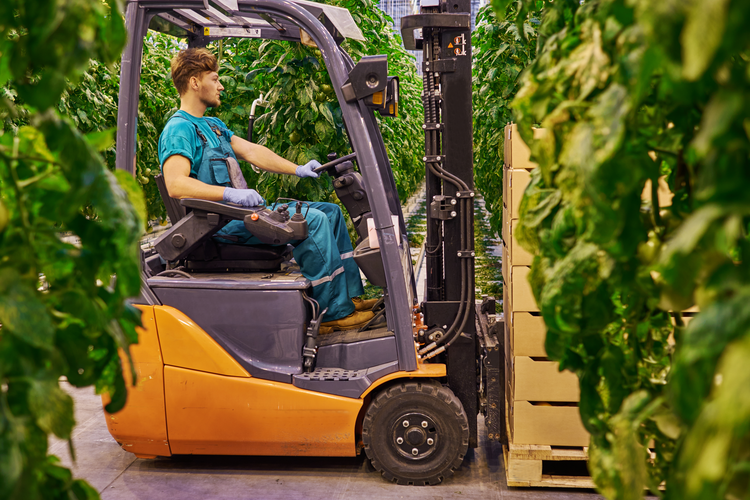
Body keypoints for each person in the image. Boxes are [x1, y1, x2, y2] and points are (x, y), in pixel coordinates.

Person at [158, 48, 376, 330]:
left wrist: (297, 168)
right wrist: (230, 194)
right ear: (195, 82)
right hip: (221, 224)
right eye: (215, 78)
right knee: (313, 220)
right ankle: (332, 314)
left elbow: (251, 151)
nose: (221, 85)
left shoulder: (212, 125)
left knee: (330, 212)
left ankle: (348, 297)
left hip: (239, 215)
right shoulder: (179, 129)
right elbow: (176, 184)